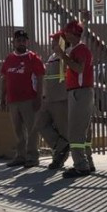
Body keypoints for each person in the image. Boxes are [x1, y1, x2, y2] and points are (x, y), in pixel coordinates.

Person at [55, 20, 95, 178]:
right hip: (81, 92)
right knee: (83, 131)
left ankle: (81, 165)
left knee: (76, 131)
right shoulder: (79, 49)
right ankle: (87, 162)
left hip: (79, 92)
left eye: (67, 32)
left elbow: (79, 68)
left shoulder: (80, 50)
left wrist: (62, 55)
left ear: (72, 34)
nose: (64, 35)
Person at [1, 29, 45, 168]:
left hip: (29, 99)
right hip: (13, 100)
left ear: (27, 42)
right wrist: (3, 96)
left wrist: (39, 97)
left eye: (23, 40)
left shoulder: (33, 58)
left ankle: (32, 157)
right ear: (13, 42)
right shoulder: (9, 58)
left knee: (32, 129)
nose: (21, 43)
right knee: (18, 130)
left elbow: (40, 78)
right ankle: (21, 156)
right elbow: (4, 78)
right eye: (18, 40)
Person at [36, 31, 71, 169]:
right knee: (40, 124)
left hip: (61, 98)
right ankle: (60, 146)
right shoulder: (52, 57)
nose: (52, 43)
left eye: (55, 40)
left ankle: (58, 159)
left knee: (63, 130)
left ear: (62, 42)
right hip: (48, 98)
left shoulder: (67, 55)